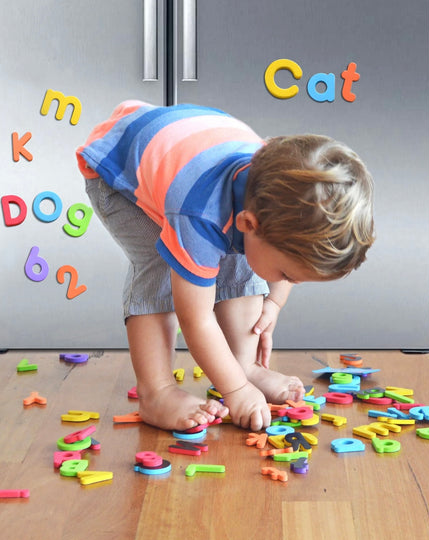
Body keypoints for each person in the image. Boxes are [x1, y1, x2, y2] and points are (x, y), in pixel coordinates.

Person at [76, 100, 375, 432]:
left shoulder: (268, 198)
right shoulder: (199, 213)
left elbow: (263, 256)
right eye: (288, 276)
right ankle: (155, 391)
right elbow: (197, 320)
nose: (288, 284)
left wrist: (274, 301)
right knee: (160, 264)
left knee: (247, 258)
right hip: (116, 172)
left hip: (184, 150)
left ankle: (244, 364)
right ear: (248, 222)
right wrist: (237, 391)